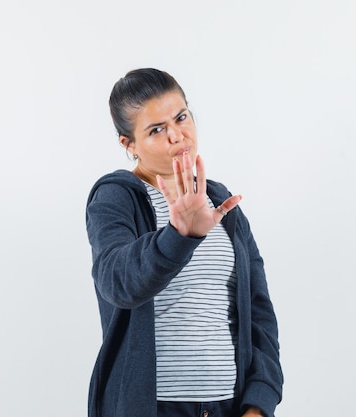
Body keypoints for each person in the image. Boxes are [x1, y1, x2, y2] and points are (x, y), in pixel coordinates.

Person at [85, 68, 283, 417]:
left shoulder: (222, 204)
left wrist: (260, 402)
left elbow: (259, 313)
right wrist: (180, 235)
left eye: (181, 117)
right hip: (152, 408)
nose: (178, 136)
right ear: (128, 143)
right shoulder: (116, 197)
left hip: (229, 406)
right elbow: (117, 282)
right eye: (156, 130)